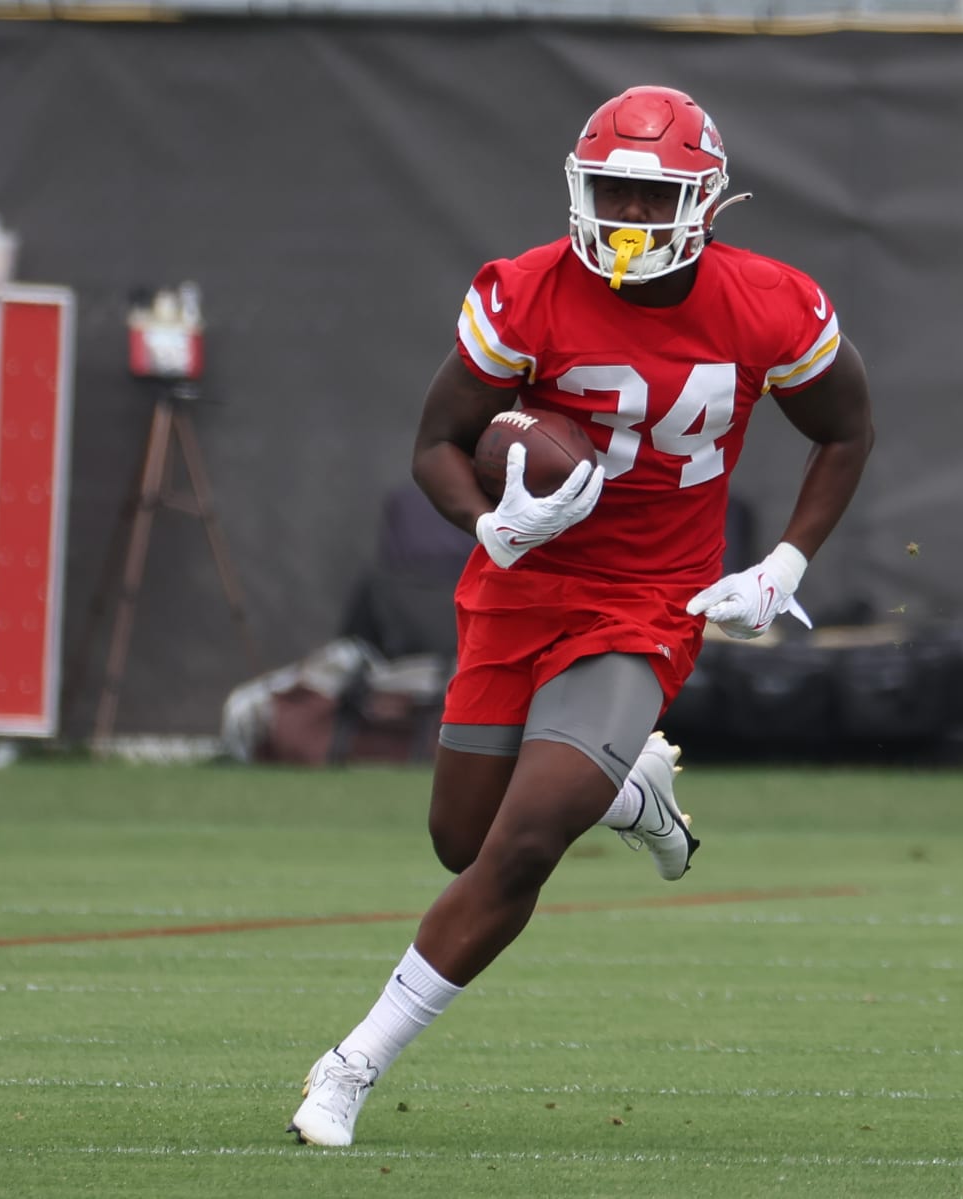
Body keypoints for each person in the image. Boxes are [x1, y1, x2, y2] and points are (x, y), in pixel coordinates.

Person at [288, 83, 874, 1147]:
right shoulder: (525, 291)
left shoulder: (772, 302)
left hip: (648, 600)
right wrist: (487, 521)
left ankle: (351, 1062)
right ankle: (631, 787)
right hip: (518, 587)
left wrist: (786, 560)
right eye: (610, 193)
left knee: (520, 844)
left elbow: (847, 427)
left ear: (702, 202)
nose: (625, 220)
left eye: (650, 202)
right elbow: (435, 443)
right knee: (459, 837)